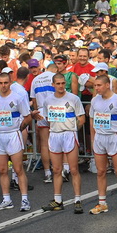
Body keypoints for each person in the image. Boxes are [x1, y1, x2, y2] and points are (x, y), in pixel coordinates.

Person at [40, 73, 86, 214]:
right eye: (58, 84)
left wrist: (72, 130)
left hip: (69, 135)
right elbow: (49, 119)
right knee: (57, 170)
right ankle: (58, 200)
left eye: (62, 83)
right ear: (53, 85)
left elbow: (82, 118)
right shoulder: (48, 100)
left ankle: (77, 200)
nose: (61, 86)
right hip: (54, 135)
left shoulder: (73, 98)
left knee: (73, 169)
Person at [88, 73, 117, 215]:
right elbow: (92, 120)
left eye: (99, 85)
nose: (96, 88)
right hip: (100, 138)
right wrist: (93, 137)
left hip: (114, 138)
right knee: (101, 171)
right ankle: (102, 203)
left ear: (107, 85)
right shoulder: (95, 101)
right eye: (95, 85)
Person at [0, 72, 32, 211]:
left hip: (13, 135)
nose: (3, 86)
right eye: (0, 83)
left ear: (10, 82)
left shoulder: (18, 98)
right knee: (2, 170)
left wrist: (19, 128)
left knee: (18, 169)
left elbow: (28, 117)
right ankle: (6, 199)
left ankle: (25, 199)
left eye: (6, 82)